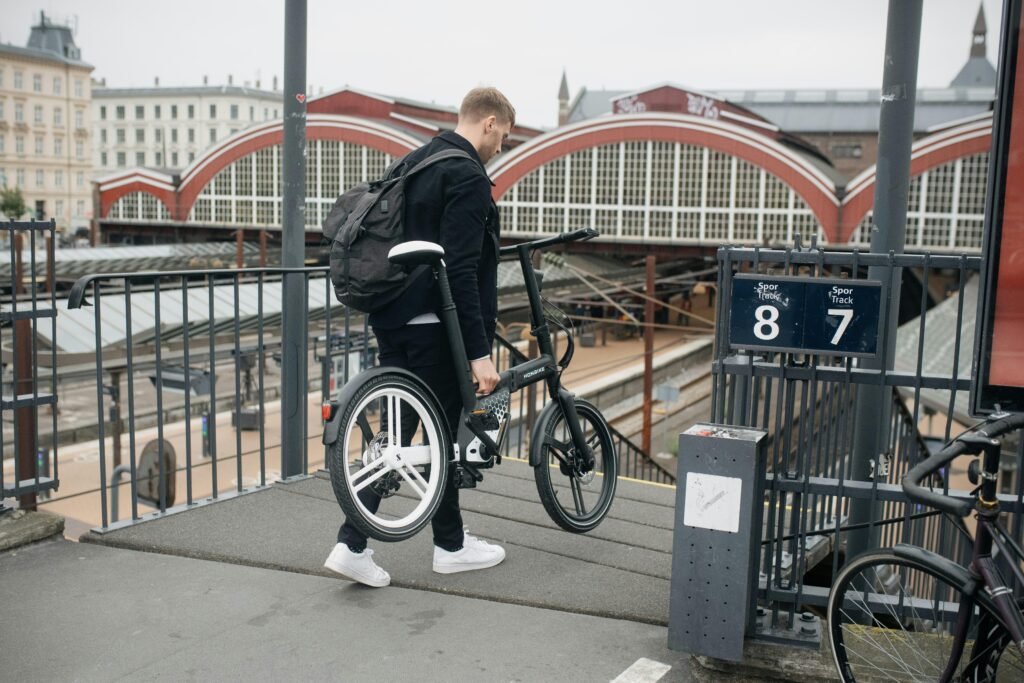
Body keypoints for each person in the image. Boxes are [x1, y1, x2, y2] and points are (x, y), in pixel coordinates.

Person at [324, 87, 515, 587]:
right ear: (489, 123)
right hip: (435, 324)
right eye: (504, 138)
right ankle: (433, 546)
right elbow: (463, 269)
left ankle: (363, 544)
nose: (501, 149)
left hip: (392, 316)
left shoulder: (416, 159)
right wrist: (477, 353)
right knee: (438, 433)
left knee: (409, 429)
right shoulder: (468, 175)